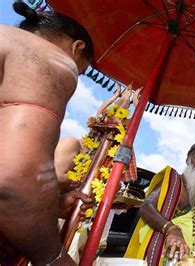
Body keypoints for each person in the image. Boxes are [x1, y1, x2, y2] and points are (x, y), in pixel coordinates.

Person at [0, 1, 93, 264]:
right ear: (77, 48)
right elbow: (12, 180)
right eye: (81, 71)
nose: (76, 76)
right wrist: (52, 257)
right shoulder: (50, 58)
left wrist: (52, 202)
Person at [125, 142, 195, 265]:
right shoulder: (172, 182)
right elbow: (146, 208)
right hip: (170, 254)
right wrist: (172, 229)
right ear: (188, 160)